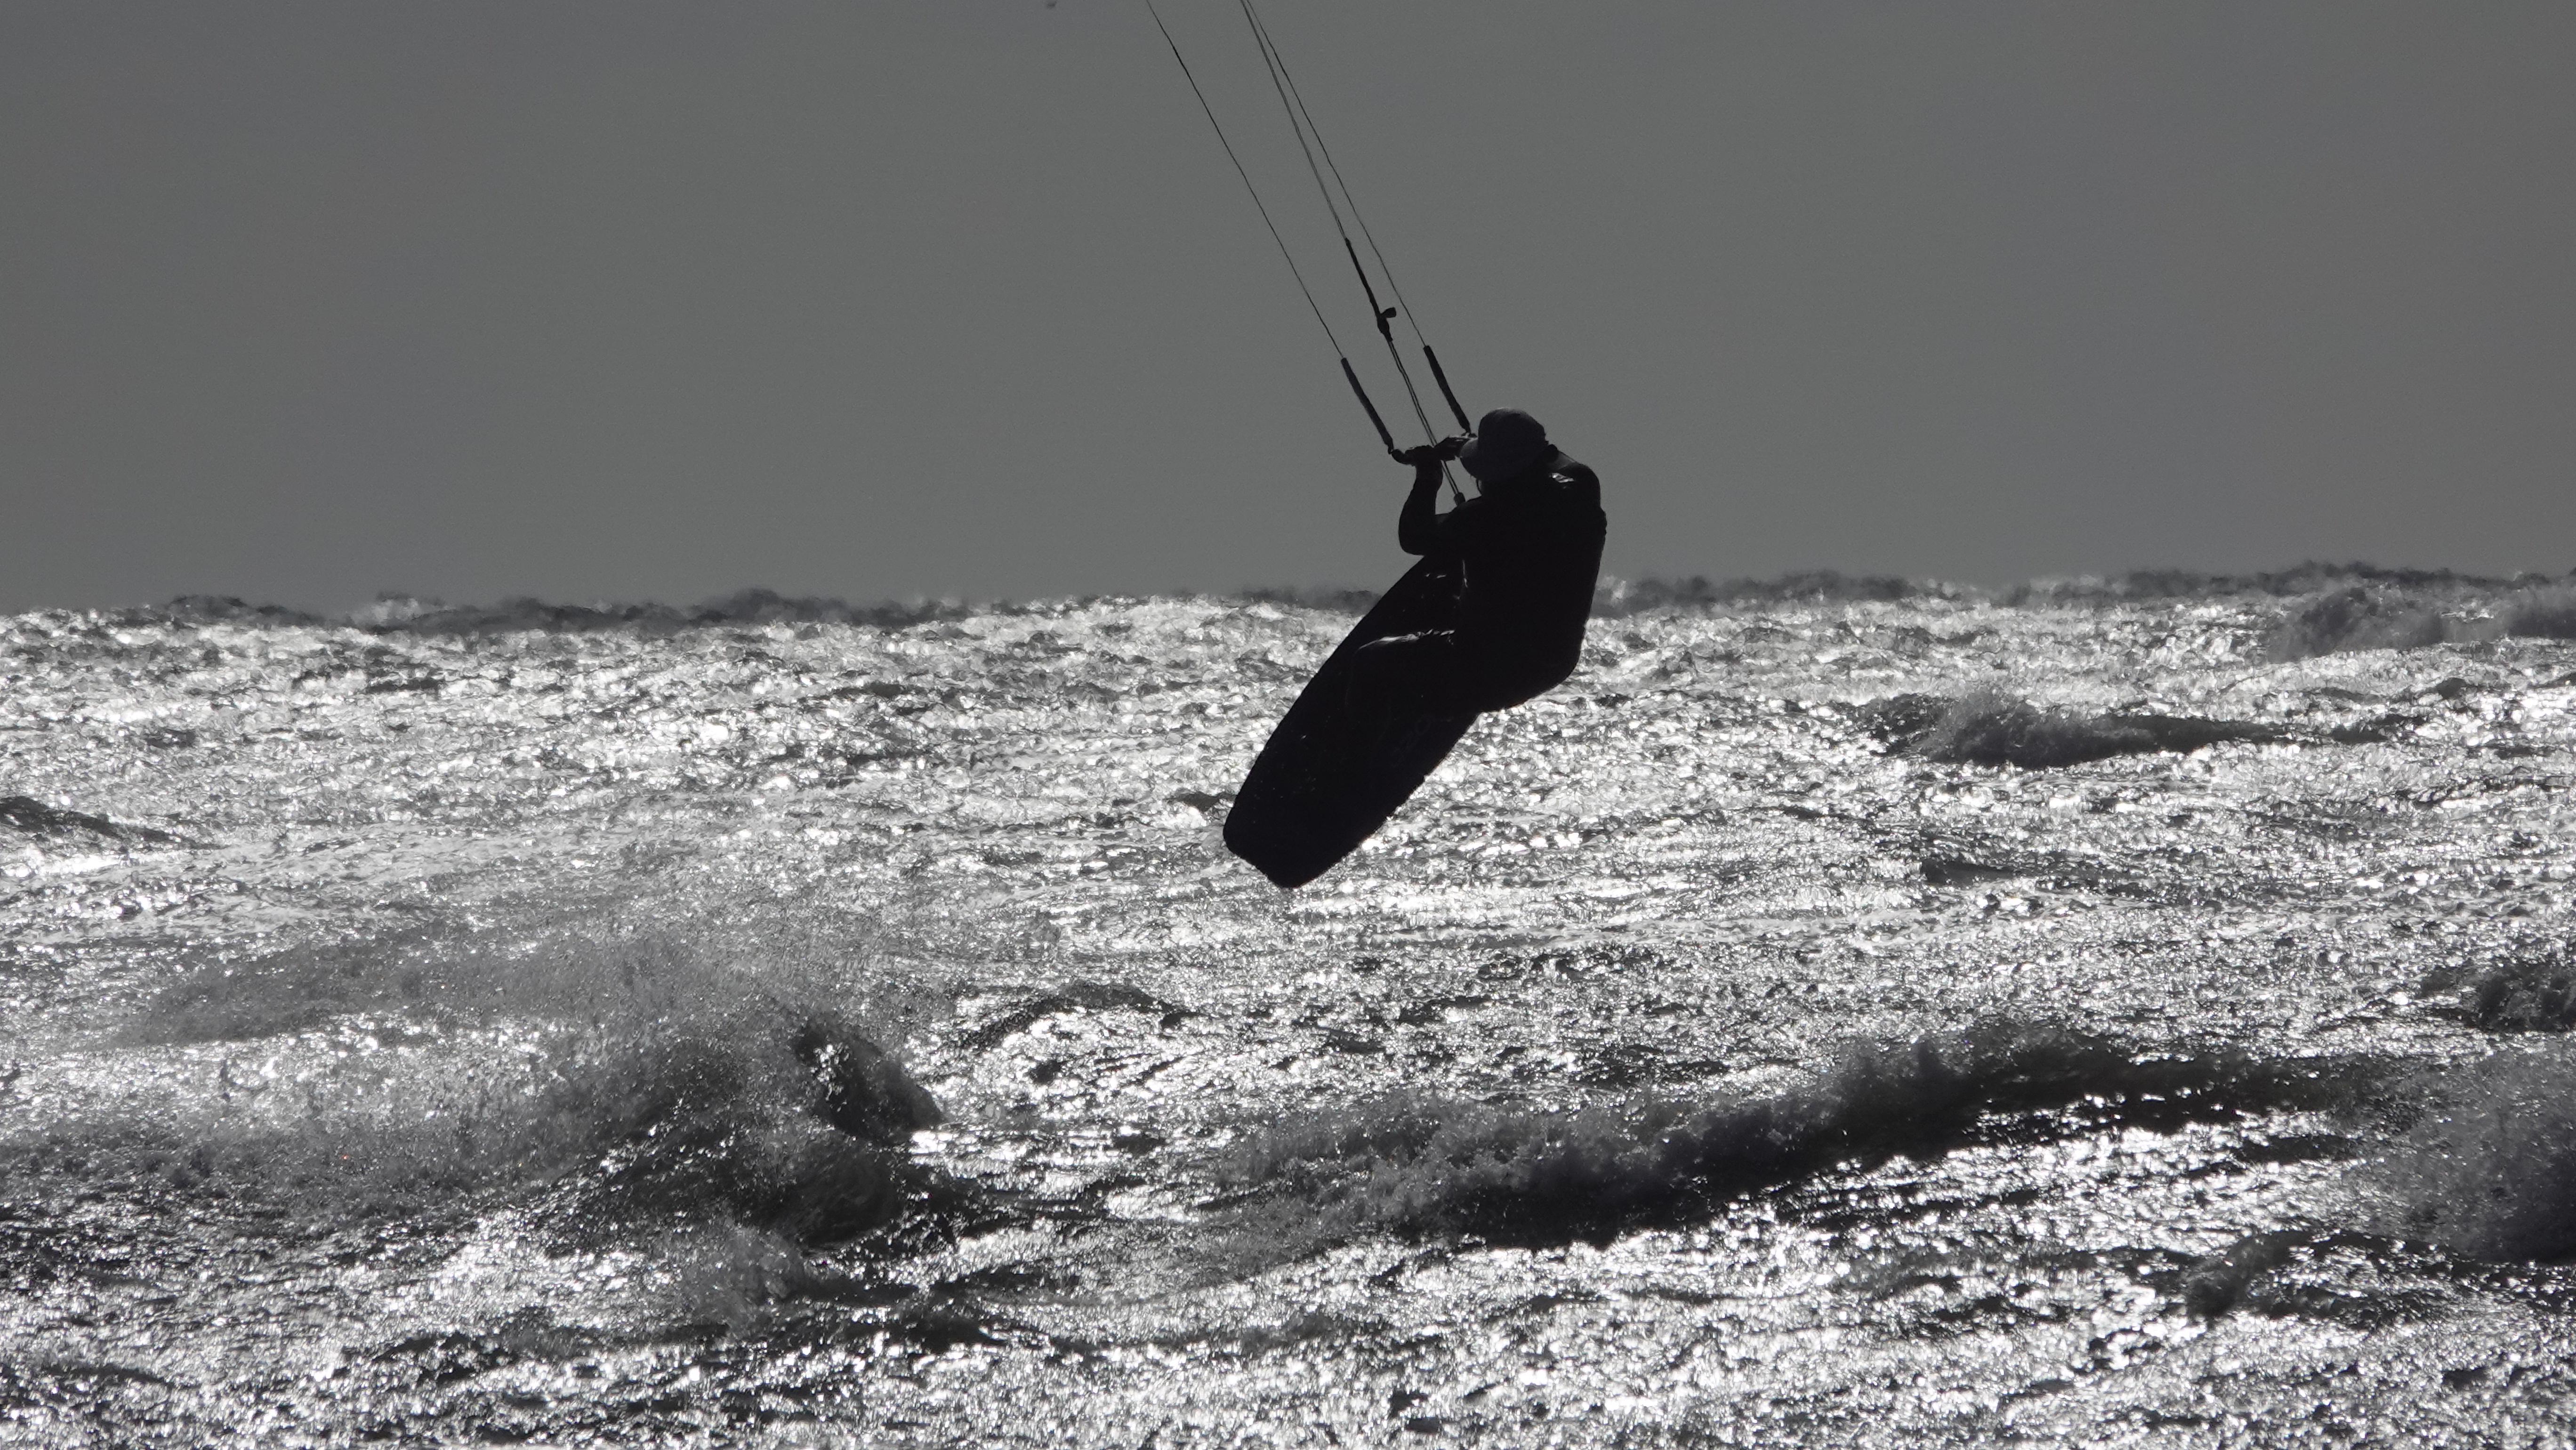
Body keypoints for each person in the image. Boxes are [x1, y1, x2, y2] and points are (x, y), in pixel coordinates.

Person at [1352, 408, 1607, 714]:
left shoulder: (1482, 518)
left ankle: (1354, 744)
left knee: (1369, 659)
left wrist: (1428, 477)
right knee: (1449, 578)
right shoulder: (1581, 493)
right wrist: (1465, 446)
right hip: (1555, 661)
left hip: (1486, 668)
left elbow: (1414, 537)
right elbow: (1560, 460)